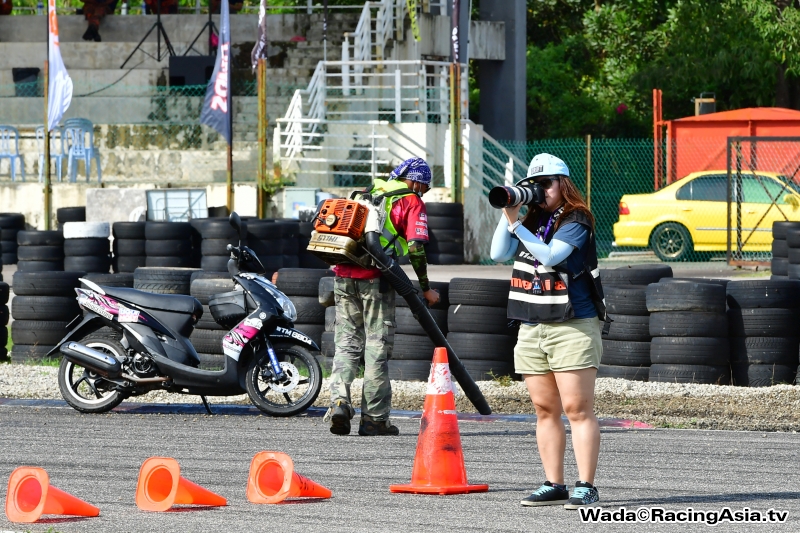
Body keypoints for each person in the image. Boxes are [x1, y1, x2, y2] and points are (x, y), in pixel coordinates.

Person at [490, 153, 605, 509]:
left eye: (546, 184)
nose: (541, 191)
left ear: (563, 183)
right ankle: (554, 483)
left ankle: (586, 485)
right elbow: (497, 253)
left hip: (573, 324)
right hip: (532, 323)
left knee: (577, 407)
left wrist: (518, 226)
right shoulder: (531, 217)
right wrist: (510, 212)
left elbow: (552, 255)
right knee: (544, 408)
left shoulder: (577, 218)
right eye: (534, 185)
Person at [326, 157, 439, 436]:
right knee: (376, 346)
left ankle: (339, 402)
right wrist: (425, 288)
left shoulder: (366, 191)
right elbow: (415, 248)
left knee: (347, 343)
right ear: (413, 180)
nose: (422, 192)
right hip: (377, 280)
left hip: (342, 275)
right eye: (422, 187)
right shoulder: (410, 201)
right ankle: (375, 419)